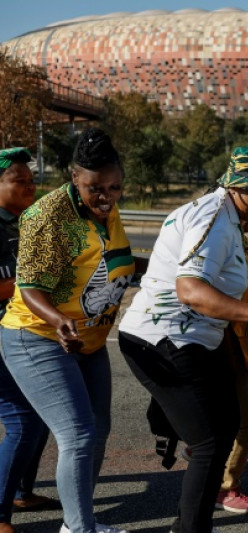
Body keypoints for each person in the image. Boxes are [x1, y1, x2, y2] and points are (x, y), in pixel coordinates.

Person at [119, 146, 248, 533]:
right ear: (234, 186)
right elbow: (190, 289)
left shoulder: (225, 214)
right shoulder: (215, 221)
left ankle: (187, 522)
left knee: (227, 426)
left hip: (190, 340)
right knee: (209, 442)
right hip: (162, 338)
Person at [0, 129, 141, 533]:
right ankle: (79, 529)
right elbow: (29, 286)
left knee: (98, 430)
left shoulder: (107, 210)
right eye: (95, 188)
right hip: (38, 337)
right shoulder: (48, 216)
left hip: (89, 339)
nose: (106, 196)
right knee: (77, 434)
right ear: (74, 177)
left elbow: (117, 260)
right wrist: (58, 319)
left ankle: (78, 520)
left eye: (114, 187)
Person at [0, 147, 51, 533]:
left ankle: (21, 489)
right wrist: (31, 285)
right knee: (23, 420)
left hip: (22, 336)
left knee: (44, 413)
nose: (30, 184)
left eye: (31, 178)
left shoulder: (28, 223)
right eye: (19, 179)